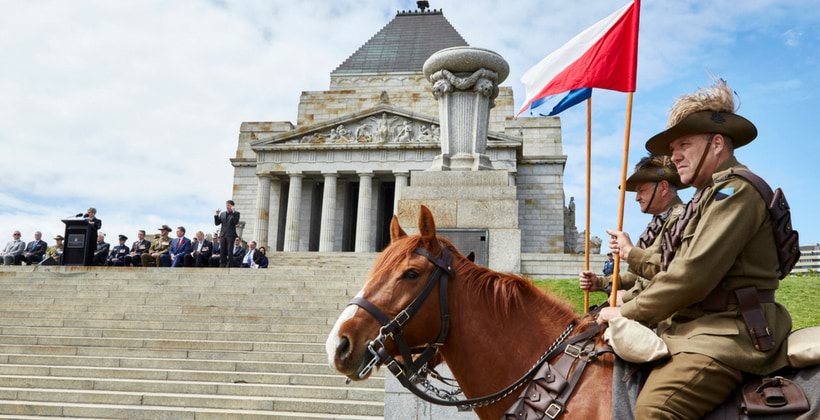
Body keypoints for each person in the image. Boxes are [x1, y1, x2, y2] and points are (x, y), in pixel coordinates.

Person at [596, 80, 792, 418]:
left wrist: (626, 312)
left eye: (683, 144)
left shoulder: (736, 192)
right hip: (695, 325)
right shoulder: (708, 195)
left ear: (717, 143)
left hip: (728, 333)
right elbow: (673, 262)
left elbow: (691, 276)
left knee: (654, 411)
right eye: (673, 148)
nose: (674, 156)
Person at [580, 155, 686, 298]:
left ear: (663, 187)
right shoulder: (656, 223)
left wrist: (626, 299)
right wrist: (600, 282)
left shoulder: (683, 218)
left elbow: (671, 274)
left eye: (641, 190)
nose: (637, 198)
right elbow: (635, 275)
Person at [214, 200, 240, 268]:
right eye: (226, 205)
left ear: (232, 206)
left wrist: (233, 212)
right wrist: (217, 215)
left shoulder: (236, 213)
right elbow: (217, 223)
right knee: (222, 250)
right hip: (223, 234)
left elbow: (235, 222)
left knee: (229, 250)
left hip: (231, 235)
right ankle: (222, 264)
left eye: (228, 205)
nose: (227, 206)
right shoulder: (222, 214)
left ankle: (229, 265)